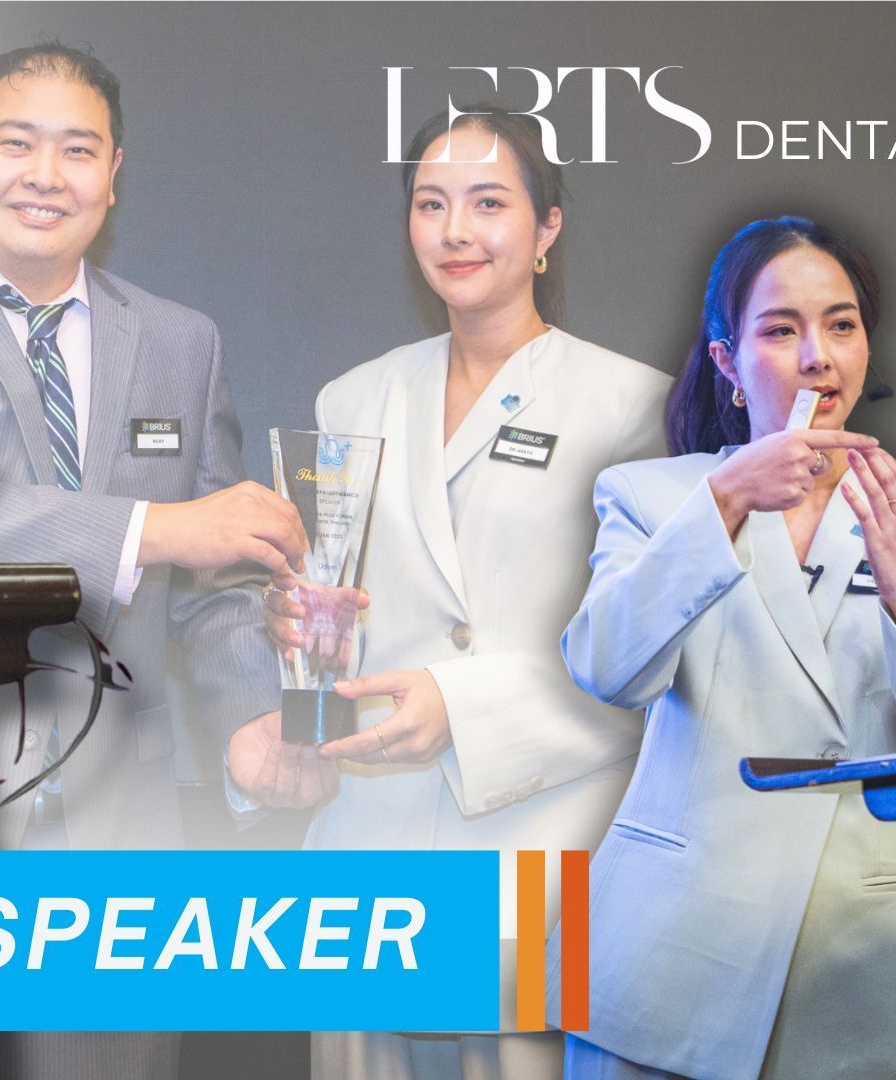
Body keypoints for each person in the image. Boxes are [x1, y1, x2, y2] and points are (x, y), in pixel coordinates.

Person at [0, 42, 315, 1080]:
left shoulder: (182, 341)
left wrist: (249, 721)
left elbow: (221, 581)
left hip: (128, 816)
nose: (45, 175)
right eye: (17, 144)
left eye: (77, 150)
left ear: (114, 177)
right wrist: (159, 529)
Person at [553, 216, 896, 1079]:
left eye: (842, 325)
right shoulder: (655, 499)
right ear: (727, 363)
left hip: (871, 964)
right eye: (780, 330)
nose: (819, 356)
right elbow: (607, 671)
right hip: (671, 959)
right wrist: (723, 500)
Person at [267, 108, 673, 1080]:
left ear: (547, 230)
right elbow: (328, 600)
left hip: (550, 827)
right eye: (431, 203)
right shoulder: (350, 400)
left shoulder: (635, 406)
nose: (456, 230)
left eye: (489, 203)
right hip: (372, 830)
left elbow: (654, 656)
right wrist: (301, 639)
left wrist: (465, 706)